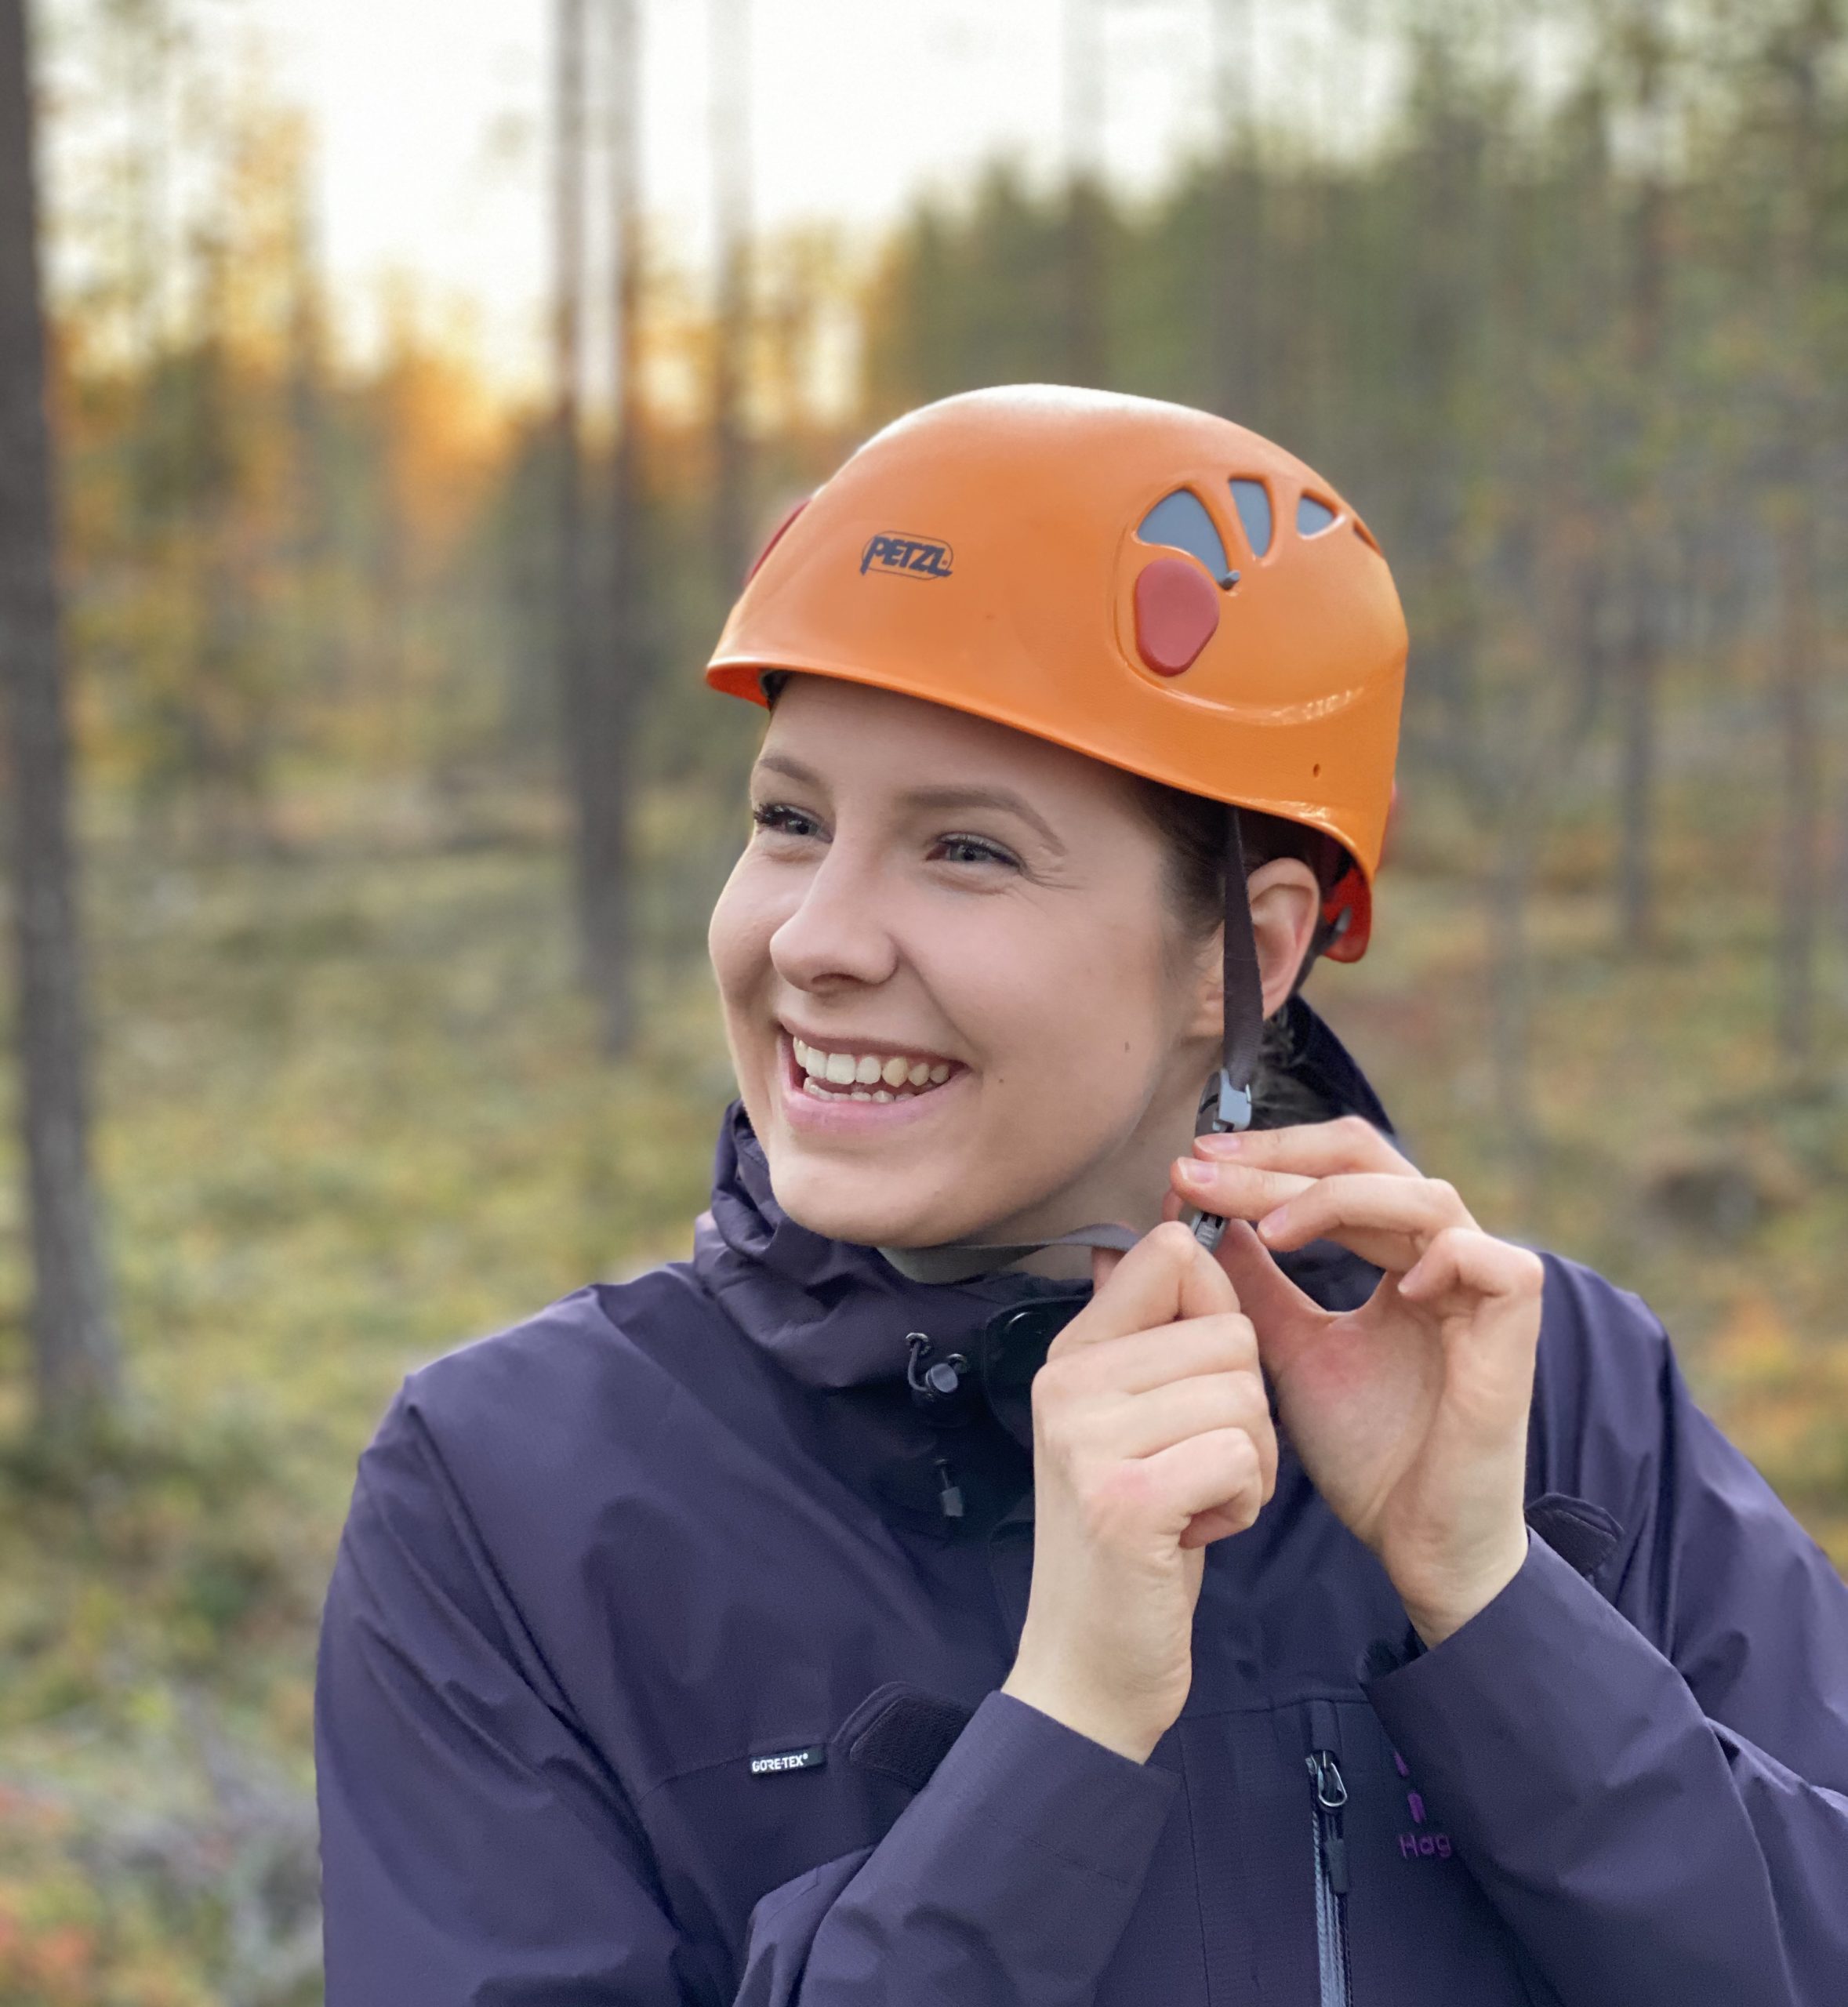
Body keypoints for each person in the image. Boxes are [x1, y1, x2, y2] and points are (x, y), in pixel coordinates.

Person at [315, 387, 1848, 2006]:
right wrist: (1059, 1736)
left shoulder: (1561, 1397)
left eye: (965, 850)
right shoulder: (514, 1497)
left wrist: (1495, 1603)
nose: (815, 937)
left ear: (1246, 952)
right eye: (789, 819)